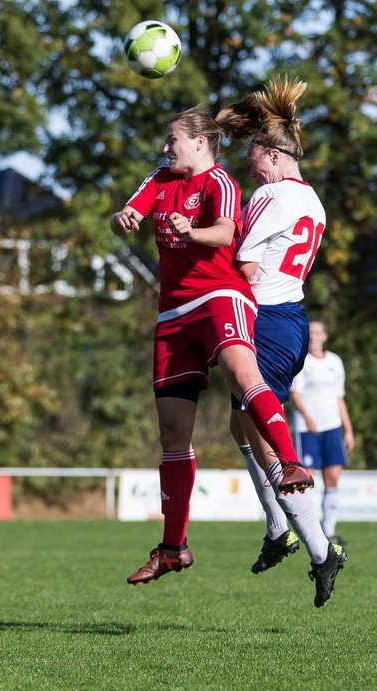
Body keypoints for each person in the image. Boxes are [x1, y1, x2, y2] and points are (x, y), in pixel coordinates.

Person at [110, 105, 314, 587]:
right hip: (172, 314)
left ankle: (289, 463)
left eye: (173, 139)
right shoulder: (160, 178)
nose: (166, 148)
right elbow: (131, 211)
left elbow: (225, 232)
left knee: (246, 377)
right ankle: (174, 547)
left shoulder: (221, 182)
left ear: (200, 143)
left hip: (220, 295)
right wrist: (122, 219)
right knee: (173, 435)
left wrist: (191, 231)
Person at [216, 78, 345, 607]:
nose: (250, 167)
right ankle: (281, 529)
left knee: (263, 436)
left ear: (273, 154)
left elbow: (245, 261)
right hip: (288, 315)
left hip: (265, 317)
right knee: (238, 422)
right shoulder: (312, 201)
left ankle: (313, 546)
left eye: (253, 157)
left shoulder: (271, 194)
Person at [291, 320, 356, 544]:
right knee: (307, 479)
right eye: (310, 333)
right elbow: (295, 395)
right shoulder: (302, 361)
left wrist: (348, 430)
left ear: (325, 336)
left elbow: (339, 397)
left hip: (332, 426)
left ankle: (329, 531)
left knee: (333, 477)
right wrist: (308, 418)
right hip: (308, 428)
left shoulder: (335, 361)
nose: (314, 336)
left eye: (318, 332)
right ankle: (310, 530)